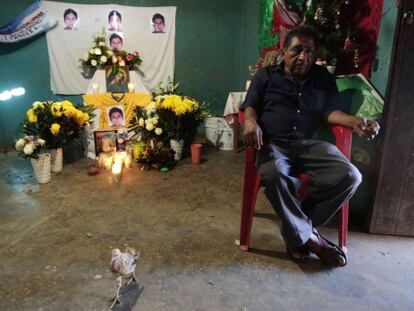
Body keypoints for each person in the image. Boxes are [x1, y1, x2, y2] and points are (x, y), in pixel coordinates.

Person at [241, 25, 380, 267]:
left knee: (350, 176)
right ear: (284, 51)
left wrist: (356, 121)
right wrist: (251, 122)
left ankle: (297, 232)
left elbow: (330, 112)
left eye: (309, 52)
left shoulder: (322, 78)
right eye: (297, 50)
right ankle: (312, 239)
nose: (303, 57)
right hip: (273, 143)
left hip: (309, 144)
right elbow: (250, 106)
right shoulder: (265, 75)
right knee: (274, 174)